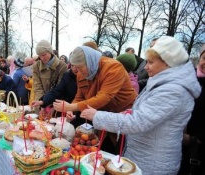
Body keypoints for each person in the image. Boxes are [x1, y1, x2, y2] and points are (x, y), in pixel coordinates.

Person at [80, 36, 201, 175]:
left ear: (167, 63)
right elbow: (146, 113)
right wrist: (129, 112)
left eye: (150, 62)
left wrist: (97, 116)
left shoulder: (173, 91)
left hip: (153, 164)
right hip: (143, 156)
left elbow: (138, 123)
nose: (146, 66)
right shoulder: (163, 84)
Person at [53, 46, 137, 153]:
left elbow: (104, 97)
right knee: (100, 150)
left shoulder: (113, 68)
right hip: (102, 117)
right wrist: (71, 109)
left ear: (89, 61)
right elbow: (79, 96)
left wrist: (71, 106)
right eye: (74, 67)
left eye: (79, 67)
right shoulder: (81, 74)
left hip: (122, 117)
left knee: (119, 152)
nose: (76, 71)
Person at [178, 44, 205, 175]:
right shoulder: (189, 78)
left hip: (198, 149)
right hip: (177, 144)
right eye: (204, 58)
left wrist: (194, 139)